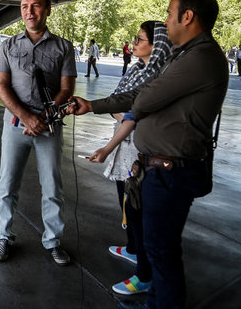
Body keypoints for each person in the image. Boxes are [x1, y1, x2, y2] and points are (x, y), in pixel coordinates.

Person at [67, 0, 228, 309]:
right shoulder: (186, 56)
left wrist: (99, 105)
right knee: (158, 251)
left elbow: (146, 97)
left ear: (188, 16)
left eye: (170, 14)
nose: (166, 22)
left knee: (161, 254)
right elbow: (144, 95)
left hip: (171, 172)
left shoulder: (200, 58)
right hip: (162, 168)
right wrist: (93, 105)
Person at [0, 0, 77, 266]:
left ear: (48, 10)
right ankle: (4, 236)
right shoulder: (8, 46)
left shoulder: (63, 47)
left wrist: (43, 117)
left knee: (52, 186)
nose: (30, 11)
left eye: (36, 5)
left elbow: (66, 89)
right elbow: (1, 86)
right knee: (7, 184)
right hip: (15, 125)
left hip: (49, 126)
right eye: (25, 6)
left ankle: (52, 240)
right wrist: (27, 118)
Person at [88, 21, 172, 296]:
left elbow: (133, 113)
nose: (133, 44)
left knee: (137, 208)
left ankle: (144, 275)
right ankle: (134, 248)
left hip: (140, 150)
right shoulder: (136, 70)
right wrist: (124, 113)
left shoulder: (159, 77)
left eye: (140, 39)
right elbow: (119, 103)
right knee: (126, 200)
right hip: (126, 145)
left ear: (155, 45)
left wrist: (125, 116)